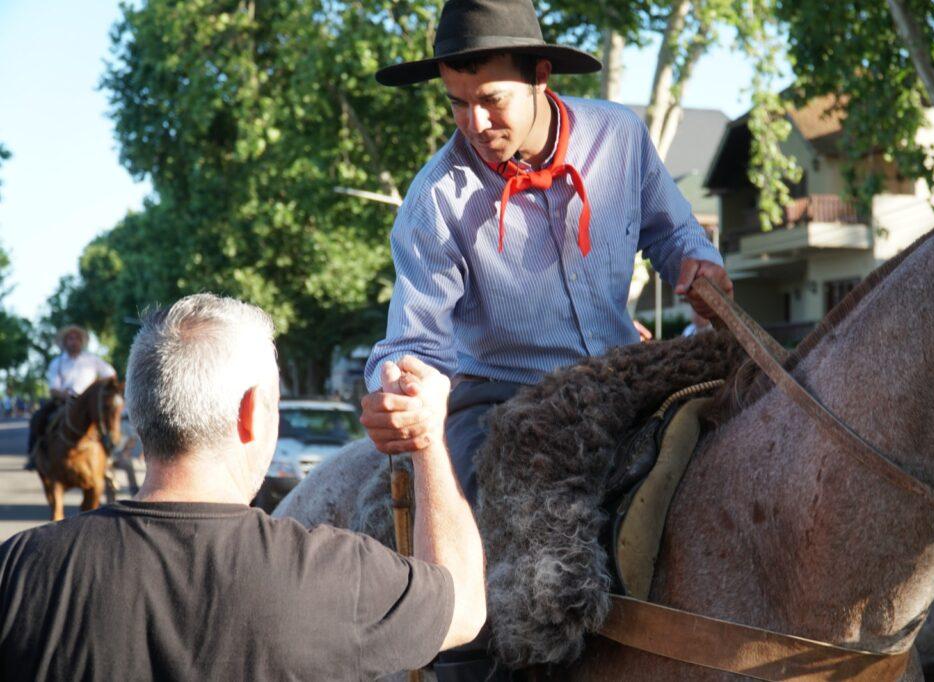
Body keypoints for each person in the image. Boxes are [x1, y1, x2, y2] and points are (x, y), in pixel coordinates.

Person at [360, 1, 732, 677]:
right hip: (501, 402)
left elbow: (672, 233)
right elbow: (416, 345)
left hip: (627, 380)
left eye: (491, 100)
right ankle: (469, 662)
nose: (474, 124)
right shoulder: (436, 199)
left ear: (541, 77)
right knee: (488, 556)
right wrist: (399, 388)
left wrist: (698, 264)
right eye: (456, 104)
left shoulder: (620, 136)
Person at [0, 294, 486, 681]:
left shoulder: (19, 569)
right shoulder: (336, 575)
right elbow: (464, 610)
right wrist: (428, 440)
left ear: (141, 414)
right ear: (251, 413)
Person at [25, 325, 116, 468]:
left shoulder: (92, 359)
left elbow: (111, 375)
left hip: (88, 403)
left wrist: (94, 390)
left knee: (106, 420)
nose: (74, 341)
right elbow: (53, 388)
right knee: (38, 417)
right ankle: (34, 456)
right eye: (70, 338)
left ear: (82, 341)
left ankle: (110, 456)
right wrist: (64, 394)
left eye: (76, 338)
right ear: (65, 342)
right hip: (63, 401)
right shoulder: (57, 362)